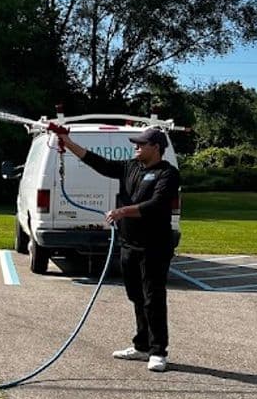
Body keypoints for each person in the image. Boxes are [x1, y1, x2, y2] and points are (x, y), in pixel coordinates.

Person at [47, 123, 179, 372]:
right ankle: (142, 346)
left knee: (153, 298)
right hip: (129, 245)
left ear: (156, 147)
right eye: (136, 143)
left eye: (141, 143)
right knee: (136, 296)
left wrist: (121, 211)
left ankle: (158, 351)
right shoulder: (131, 167)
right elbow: (99, 163)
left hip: (155, 247)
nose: (136, 147)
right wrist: (68, 142)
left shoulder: (167, 174)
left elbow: (157, 204)